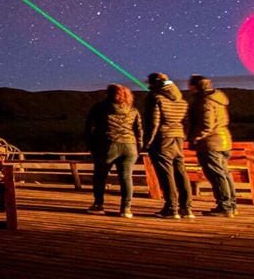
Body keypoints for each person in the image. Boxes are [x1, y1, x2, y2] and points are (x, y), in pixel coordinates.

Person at [84, 84, 143, 218]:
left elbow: (90, 127)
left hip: (107, 144)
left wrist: (90, 145)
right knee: (126, 177)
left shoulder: (100, 107)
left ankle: (98, 205)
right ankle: (126, 209)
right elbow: (139, 129)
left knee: (100, 176)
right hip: (130, 146)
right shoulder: (132, 109)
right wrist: (139, 146)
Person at [142, 72, 192, 219]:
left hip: (162, 139)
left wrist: (148, 142)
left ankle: (171, 208)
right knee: (180, 172)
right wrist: (184, 135)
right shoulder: (181, 100)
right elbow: (187, 121)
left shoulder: (156, 98)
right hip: (178, 137)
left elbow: (154, 123)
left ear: (154, 83)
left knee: (166, 174)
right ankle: (186, 207)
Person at [187, 75, 237, 217]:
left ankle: (224, 206)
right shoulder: (218, 99)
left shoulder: (204, 101)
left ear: (195, 86)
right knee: (224, 174)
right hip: (224, 140)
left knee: (217, 175)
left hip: (211, 143)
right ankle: (231, 204)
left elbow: (207, 124)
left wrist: (196, 137)